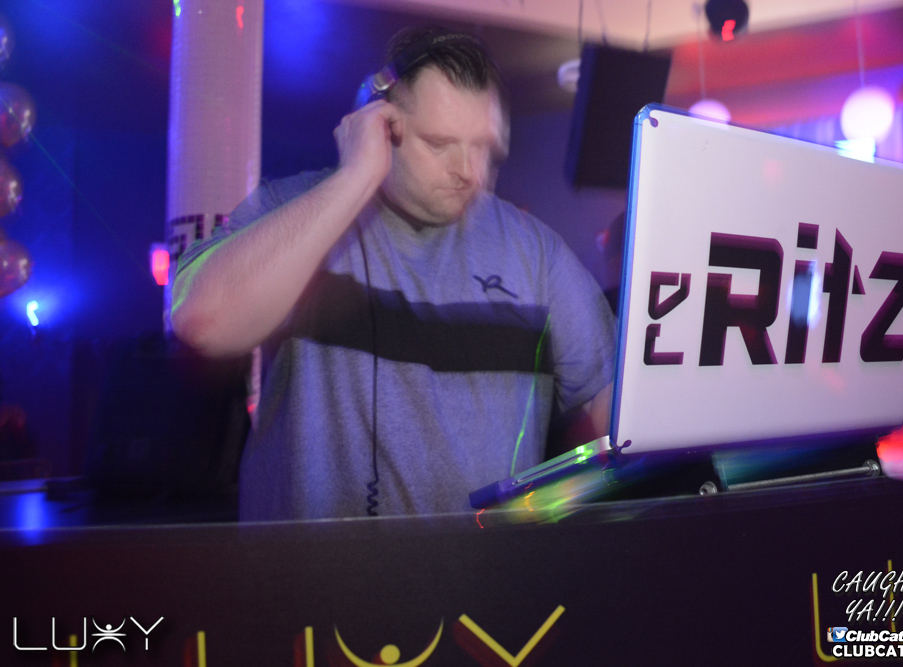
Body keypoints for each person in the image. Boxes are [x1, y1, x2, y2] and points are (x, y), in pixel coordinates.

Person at [171, 26, 616, 521]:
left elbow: (612, 408)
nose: (469, 171)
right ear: (379, 124)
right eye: (439, 143)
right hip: (314, 570)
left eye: (482, 148)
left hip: (484, 569)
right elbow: (203, 323)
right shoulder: (292, 208)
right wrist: (355, 177)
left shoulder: (537, 253)